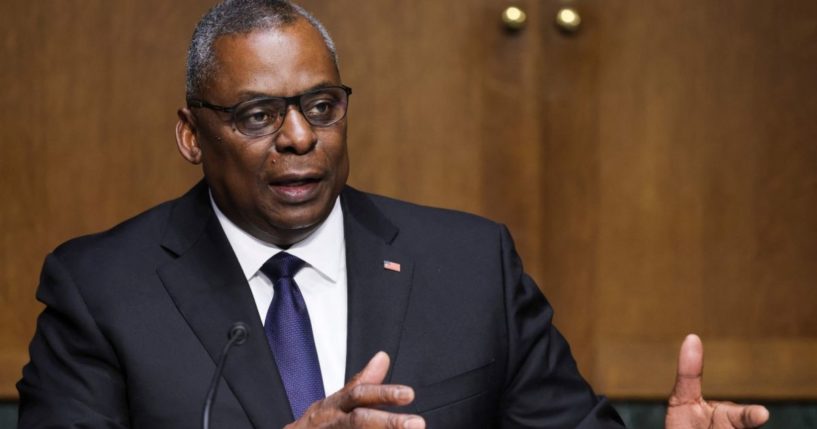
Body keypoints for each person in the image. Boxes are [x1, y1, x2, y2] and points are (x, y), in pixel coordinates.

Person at [17, 1, 770, 428]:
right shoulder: (103, 288)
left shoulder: (468, 264)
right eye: (256, 114)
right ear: (191, 135)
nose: (299, 136)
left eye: (321, 106)